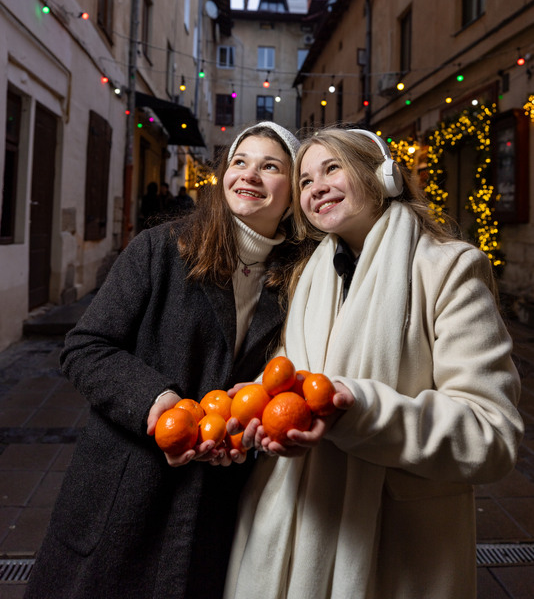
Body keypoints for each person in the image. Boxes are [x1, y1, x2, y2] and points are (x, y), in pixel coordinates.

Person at [224, 127, 524, 599]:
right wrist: (259, 404)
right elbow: (293, 369)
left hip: (395, 541)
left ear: (380, 175)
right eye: (305, 181)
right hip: (296, 518)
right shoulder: (309, 273)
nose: (316, 187)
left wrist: (358, 410)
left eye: (332, 169)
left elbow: (491, 434)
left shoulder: (450, 269)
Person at [24, 121, 303, 599]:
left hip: (214, 499)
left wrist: (247, 422)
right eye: (239, 162)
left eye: (270, 166)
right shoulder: (161, 248)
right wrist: (156, 401)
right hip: (125, 486)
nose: (249, 174)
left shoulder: (295, 279)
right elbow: (86, 346)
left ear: (293, 194)